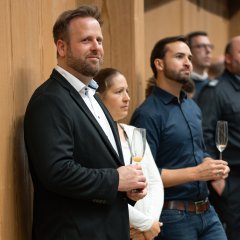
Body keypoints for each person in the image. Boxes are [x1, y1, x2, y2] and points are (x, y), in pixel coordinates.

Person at [24, 6, 147, 240]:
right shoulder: (49, 100)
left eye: (99, 40)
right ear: (62, 47)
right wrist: (116, 179)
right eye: (86, 40)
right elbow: (57, 172)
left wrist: (126, 189)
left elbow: (99, 161)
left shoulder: (93, 96)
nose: (96, 47)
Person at [130, 35, 230, 240]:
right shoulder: (147, 114)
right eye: (179, 56)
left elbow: (198, 152)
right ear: (159, 64)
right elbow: (144, 175)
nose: (187, 63)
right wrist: (197, 173)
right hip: (172, 216)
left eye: (189, 57)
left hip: (207, 211)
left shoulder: (192, 107)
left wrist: (210, 164)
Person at [95, 67, 164, 240]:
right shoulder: (95, 137)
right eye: (119, 92)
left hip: (146, 231)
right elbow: (106, 192)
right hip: (117, 228)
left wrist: (151, 222)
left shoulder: (133, 132)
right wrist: (143, 224)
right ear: (98, 97)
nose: (127, 98)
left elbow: (155, 181)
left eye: (127, 91)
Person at [199, 36, 240, 240]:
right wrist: (216, 178)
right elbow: (204, 134)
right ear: (228, 58)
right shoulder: (215, 90)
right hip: (231, 180)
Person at [186, 31, 213, 102]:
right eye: (201, 46)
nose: (208, 50)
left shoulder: (214, 83)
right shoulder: (180, 85)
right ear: (188, 50)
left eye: (210, 46)